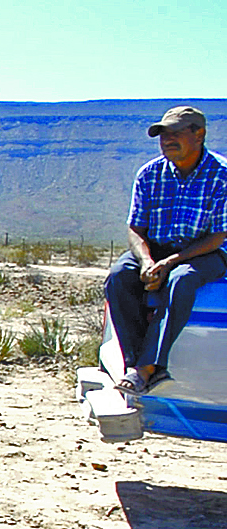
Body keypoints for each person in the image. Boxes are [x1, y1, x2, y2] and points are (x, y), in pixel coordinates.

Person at [104, 106, 227, 395]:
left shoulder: (221, 175)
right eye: (163, 135)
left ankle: (147, 369)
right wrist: (147, 261)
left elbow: (220, 235)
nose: (167, 140)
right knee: (119, 275)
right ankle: (134, 363)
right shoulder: (150, 173)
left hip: (205, 251)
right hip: (156, 248)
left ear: (200, 134)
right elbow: (136, 228)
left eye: (175, 133)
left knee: (181, 280)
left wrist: (172, 262)